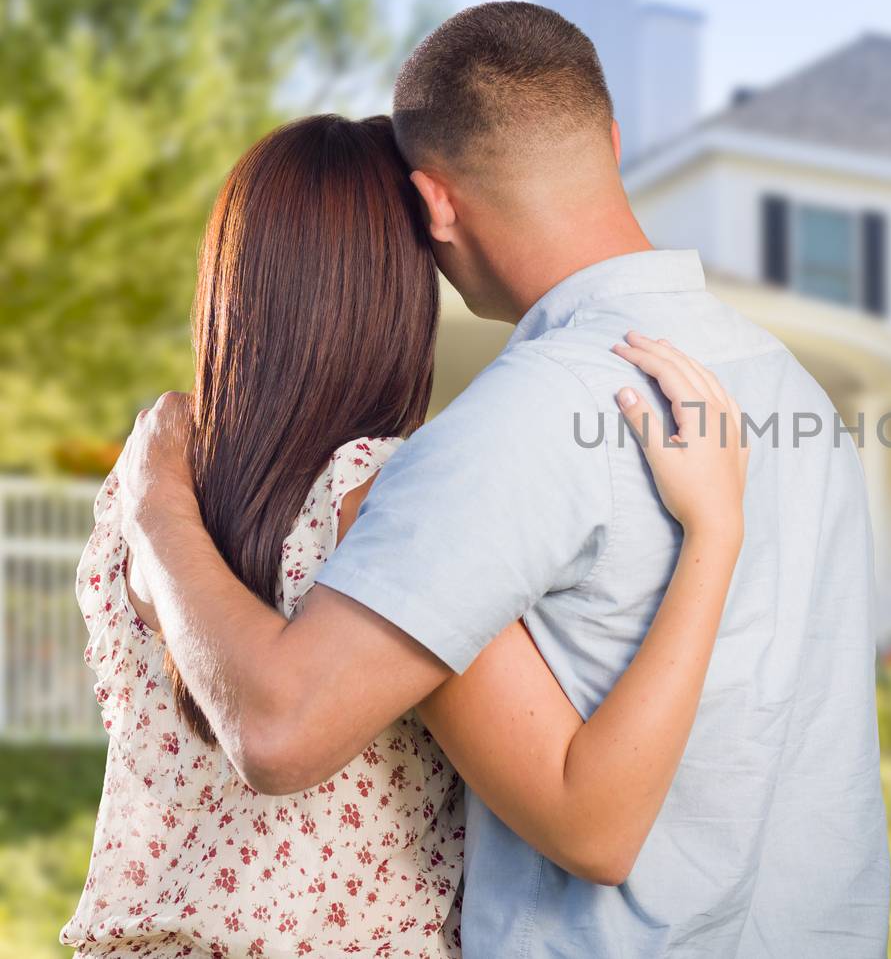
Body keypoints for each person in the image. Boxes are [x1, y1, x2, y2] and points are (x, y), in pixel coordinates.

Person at [117, 1, 891, 957]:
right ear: (610, 138)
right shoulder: (797, 397)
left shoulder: (507, 427)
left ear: (434, 204)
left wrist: (156, 506)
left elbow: (280, 729)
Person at [64, 113, 750, 957]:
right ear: (395, 290)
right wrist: (715, 531)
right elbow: (592, 822)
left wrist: (154, 505)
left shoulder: (142, 488)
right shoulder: (380, 497)